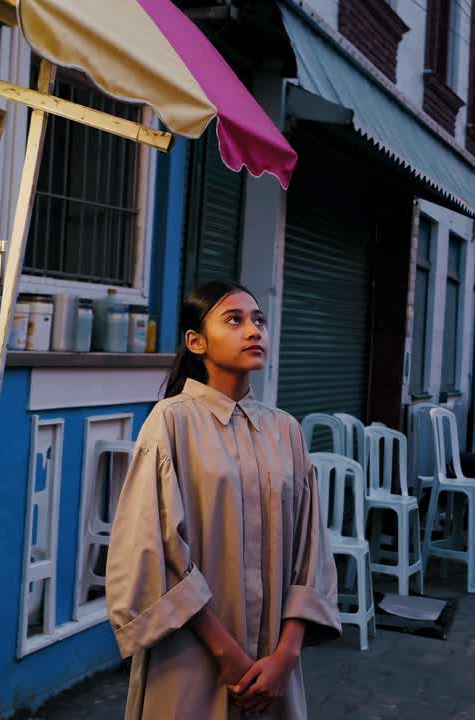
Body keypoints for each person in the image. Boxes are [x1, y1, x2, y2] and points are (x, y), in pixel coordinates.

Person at [105, 280, 340, 720]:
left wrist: (286, 656)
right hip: (192, 657)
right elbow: (149, 549)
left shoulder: (285, 429)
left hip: (274, 664)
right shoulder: (171, 422)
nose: (253, 331)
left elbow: (311, 551)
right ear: (196, 341)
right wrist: (228, 654)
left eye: (258, 321)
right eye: (234, 320)